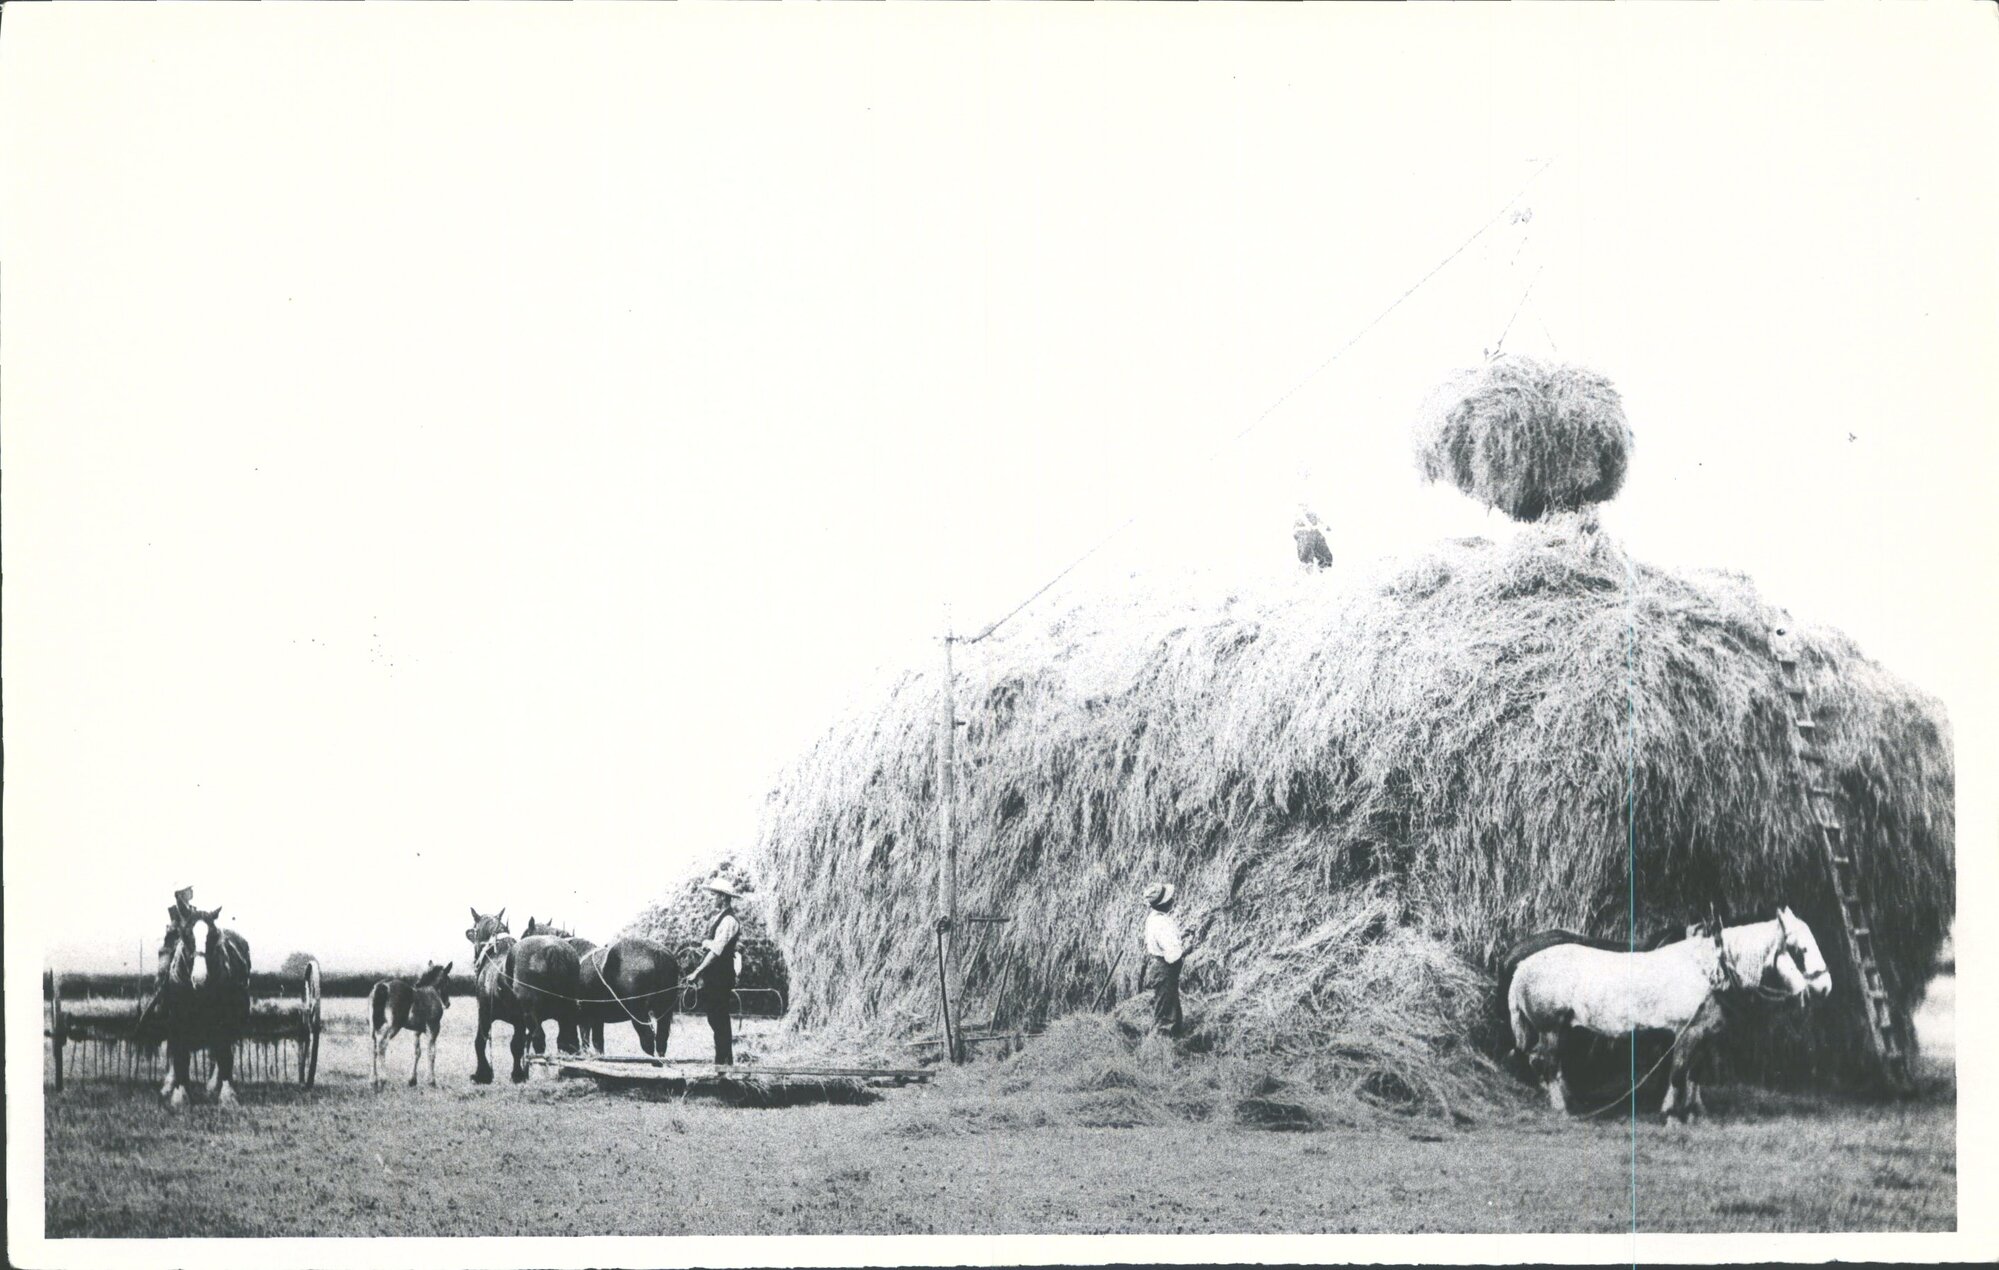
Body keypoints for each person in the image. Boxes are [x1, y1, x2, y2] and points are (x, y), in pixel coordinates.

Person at [687, 879, 744, 1065]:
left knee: (719, 1021)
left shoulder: (729, 920)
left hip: (721, 977)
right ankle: (724, 1062)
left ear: (722, 897)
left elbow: (717, 951)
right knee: (715, 1019)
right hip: (715, 977)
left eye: (714, 895)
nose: (712, 899)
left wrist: (697, 971)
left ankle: (723, 1064)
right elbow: (716, 946)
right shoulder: (722, 918)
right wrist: (707, 944)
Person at [1142, 882, 1185, 1037]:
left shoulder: (1154, 918)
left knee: (1170, 1007)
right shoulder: (1162, 923)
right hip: (1165, 970)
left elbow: (1163, 940)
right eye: (1169, 899)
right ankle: (1158, 1049)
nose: (1172, 900)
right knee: (1166, 1015)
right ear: (1164, 903)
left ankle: (1172, 1043)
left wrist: (1181, 935)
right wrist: (1187, 949)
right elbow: (1172, 956)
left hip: (1159, 967)